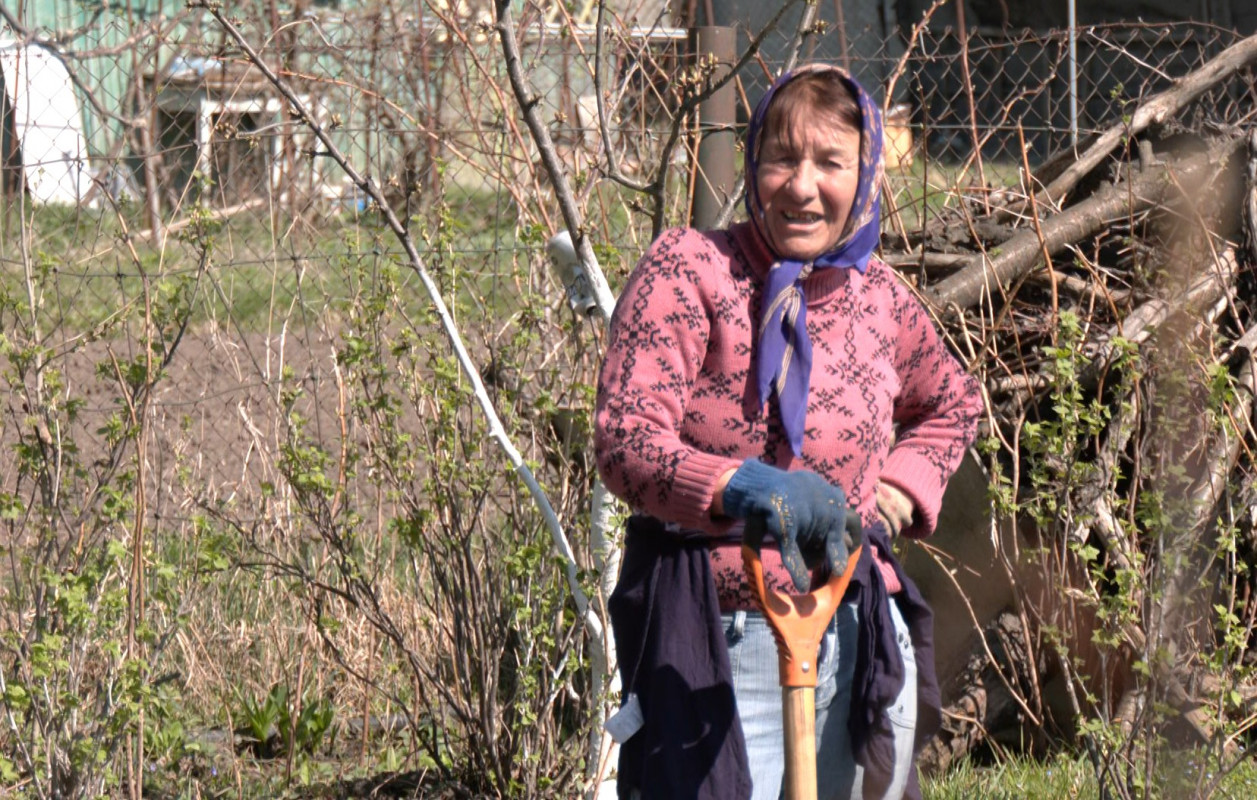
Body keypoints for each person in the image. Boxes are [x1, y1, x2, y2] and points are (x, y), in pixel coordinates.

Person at [594, 64, 983, 800]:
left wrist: (894, 492)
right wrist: (742, 486)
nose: (802, 187)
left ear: (864, 176)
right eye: (782, 157)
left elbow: (953, 403)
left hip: (857, 626)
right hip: (717, 643)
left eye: (830, 162)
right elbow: (624, 439)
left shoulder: (879, 301)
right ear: (753, 163)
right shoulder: (689, 271)